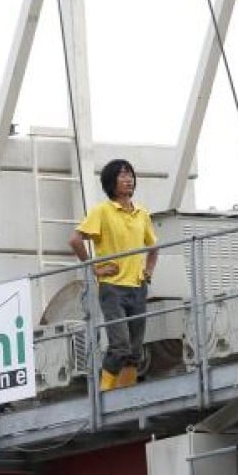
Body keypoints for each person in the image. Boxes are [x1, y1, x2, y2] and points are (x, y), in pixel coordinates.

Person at [68, 159, 158, 391]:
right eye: (122, 175)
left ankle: (127, 395)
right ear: (111, 182)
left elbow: (153, 246)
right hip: (113, 288)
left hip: (137, 287)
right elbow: (75, 240)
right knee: (120, 346)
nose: (128, 179)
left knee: (135, 350)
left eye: (130, 174)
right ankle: (105, 391)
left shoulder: (142, 213)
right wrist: (94, 268)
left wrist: (148, 271)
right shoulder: (102, 211)